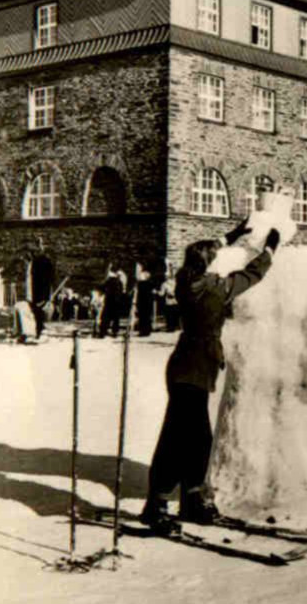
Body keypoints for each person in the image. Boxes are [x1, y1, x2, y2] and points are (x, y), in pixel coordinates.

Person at [140, 219, 280, 532]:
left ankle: (189, 498)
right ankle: (158, 504)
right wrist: (270, 248)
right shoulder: (216, 290)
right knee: (179, 438)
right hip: (195, 369)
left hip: (183, 366)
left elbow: (207, 250)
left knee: (195, 437)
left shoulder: (185, 278)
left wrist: (233, 234)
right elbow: (251, 275)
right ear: (208, 264)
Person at [98, 266, 124, 338]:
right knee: (116, 318)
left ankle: (103, 332)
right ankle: (115, 332)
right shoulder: (120, 282)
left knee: (106, 317)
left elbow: (101, 288)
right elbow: (121, 292)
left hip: (109, 301)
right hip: (117, 302)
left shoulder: (109, 281)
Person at [135, 266, 154, 337]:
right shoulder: (148, 283)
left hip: (144, 302)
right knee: (145, 316)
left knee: (144, 316)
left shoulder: (143, 284)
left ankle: (144, 330)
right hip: (146, 302)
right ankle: (145, 330)